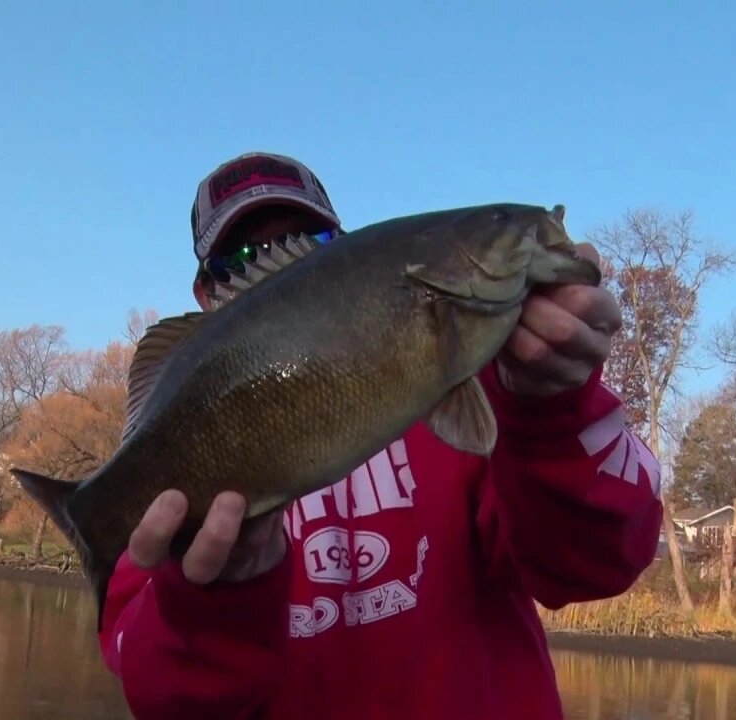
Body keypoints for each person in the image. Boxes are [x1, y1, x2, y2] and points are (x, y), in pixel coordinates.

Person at [97, 151, 664, 720]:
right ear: (205, 294)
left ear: (346, 248)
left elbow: (593, 567)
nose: (281, 266)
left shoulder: (485, 394)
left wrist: (553, 413)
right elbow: (161, 698)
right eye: (241, 260)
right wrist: (211, 600)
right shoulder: (167, 489)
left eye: (310, 241)